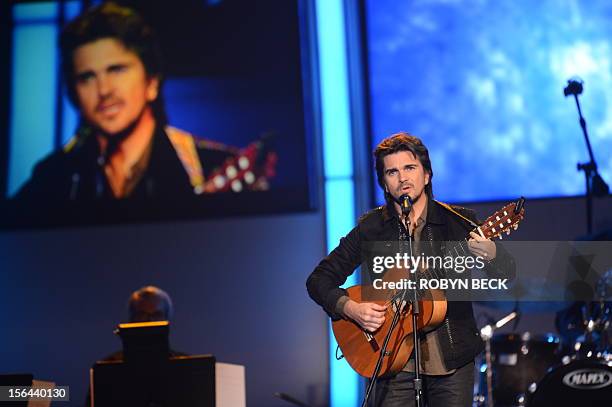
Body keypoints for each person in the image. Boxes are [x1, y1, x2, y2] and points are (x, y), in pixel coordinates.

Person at [306, 133, 515, 406]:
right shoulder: (372, 229)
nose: (402, 178)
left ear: (427, 175)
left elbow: (507, 274)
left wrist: (493, 255)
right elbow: (319, 280)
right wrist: (350, 308)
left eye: (410, 168)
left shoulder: (459, 223)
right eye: (392, 171)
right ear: (383, 181)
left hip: (451, 361)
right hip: (390, 357)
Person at [15, 2, 274, 202]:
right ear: (74, 94)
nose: (103, 90)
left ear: (151, 82)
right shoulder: (52, 178)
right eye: (87, 77)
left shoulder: (209, 165)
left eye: (116, 70)